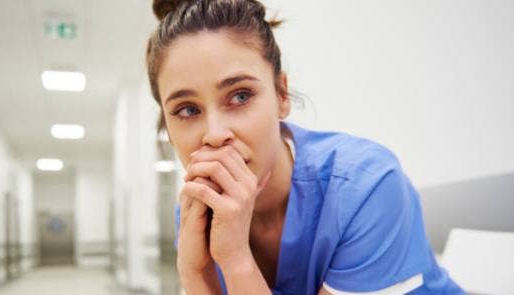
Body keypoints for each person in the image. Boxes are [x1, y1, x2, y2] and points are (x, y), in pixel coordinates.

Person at [145, 0, 464, 294]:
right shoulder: (197, 214)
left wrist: (235, 259)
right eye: (187, 110)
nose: (215, 135)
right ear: (168, 131)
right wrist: (193, 272)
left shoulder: (365, 186)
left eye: (240, 95)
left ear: (281, 96)